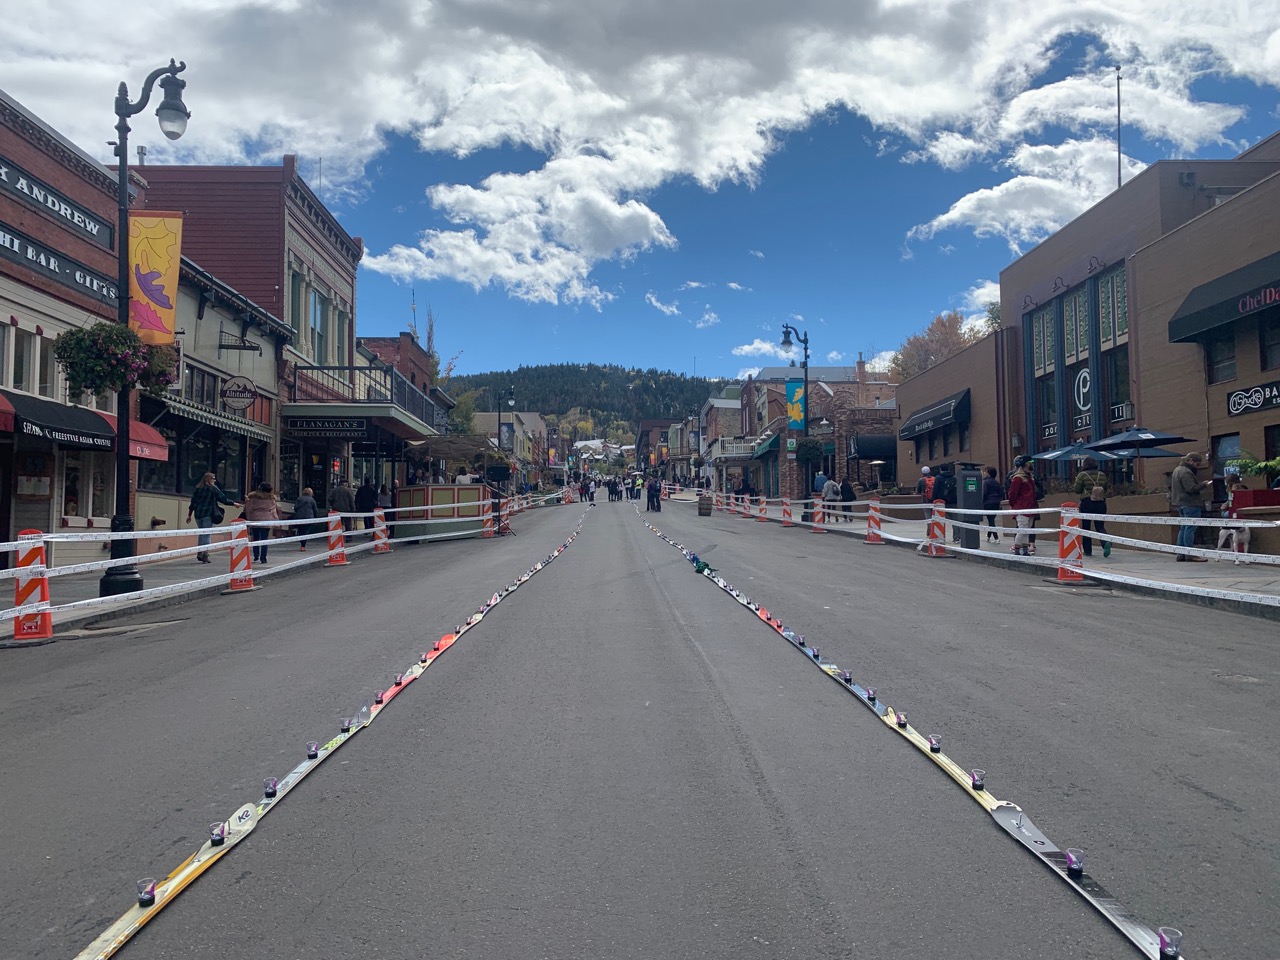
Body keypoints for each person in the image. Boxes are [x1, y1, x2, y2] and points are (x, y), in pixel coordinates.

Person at [186, 473, 240, 564]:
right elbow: (223, 499)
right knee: (207, 534)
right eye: (214, 478)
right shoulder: (213, 489)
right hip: (208, 513)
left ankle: (199, 552)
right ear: (209, 479)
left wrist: (189, 515)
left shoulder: (198, 489)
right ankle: (205, 554)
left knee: (201, 533)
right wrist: (234, 504)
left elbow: (193, 502)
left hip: (198, 514)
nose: (215, 480)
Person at [1170, 452, 1213, 561]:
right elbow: (1191, 489)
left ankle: (1181, 553)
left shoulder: (1177, 470)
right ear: (1190, 460)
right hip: (1190, 503)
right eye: (1197, 464)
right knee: (1190, 528)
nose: (1197, 466)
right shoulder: (1185, 472)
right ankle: (1190, 553)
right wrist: (1203, 485)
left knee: (1184, 528)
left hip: (1179, 503)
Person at [1074, 459, 1111, 558]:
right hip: (1101, 503)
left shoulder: (1082, 475)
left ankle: (1088, 550)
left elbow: (1077, 489)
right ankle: (1105, 542)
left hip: (1087, 502)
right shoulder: (1102, 475)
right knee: (1100, 526)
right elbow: (1106, 488)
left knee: (1086, 527)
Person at [1007, 456, 1039, 557]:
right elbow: (1012, 494)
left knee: (1026, 530)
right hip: (1022, 507)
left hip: (1030, 507)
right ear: (1025, 464)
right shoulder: (1018, 478)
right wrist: (1014, 505)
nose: (1032, 465)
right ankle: (1017, 550)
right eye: (1030, 463)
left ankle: (1024, 550)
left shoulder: (1029, 478)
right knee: (1022, 530)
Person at [243, 482, 281, 564]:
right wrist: (276, 521)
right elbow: (274, 511)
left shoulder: (252, 497)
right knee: (265, 538)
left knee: (255, 538)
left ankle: (256, 555)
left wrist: (249, 519)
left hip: (255, 519)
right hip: (267, 519)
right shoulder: (272, 499)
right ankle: (263, 558)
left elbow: (248, 509)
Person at [293, 486, 319, 551]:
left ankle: (302, 544)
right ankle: (303, 545)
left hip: (300, 517)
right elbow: (315, 510)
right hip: (309, 517)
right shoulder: (312, 500)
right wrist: (316, 518)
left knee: (301, 531)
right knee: (306, 531)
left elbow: (296, 508)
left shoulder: (299, 499)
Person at [981, 466, 1003, 543]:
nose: (984, 473)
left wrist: (981, 502)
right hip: (996, 503)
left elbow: (984, 493)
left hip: (988, 503)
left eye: (985, 472)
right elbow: (1001, 493)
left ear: (989, 474)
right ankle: (988, 536)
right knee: (991, 520)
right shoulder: (997, 482)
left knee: (991, 521)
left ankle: (996, 538)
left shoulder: (985, 482)